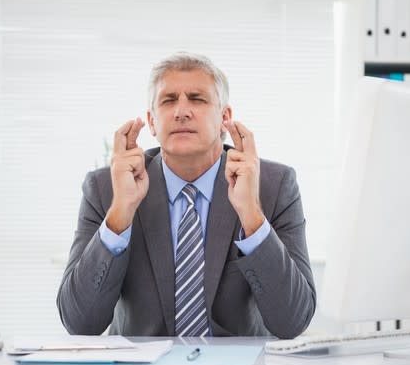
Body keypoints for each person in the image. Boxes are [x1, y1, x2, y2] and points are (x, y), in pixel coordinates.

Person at [57, 52, 316, 338]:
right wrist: (120, 215)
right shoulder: (106, 189)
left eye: (197, 99)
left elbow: (293, 322)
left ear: (224, 118)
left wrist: (251, 216)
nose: (182, 111)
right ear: (152, 123)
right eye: (168, 101)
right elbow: (79, 323)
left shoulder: (273, 186)